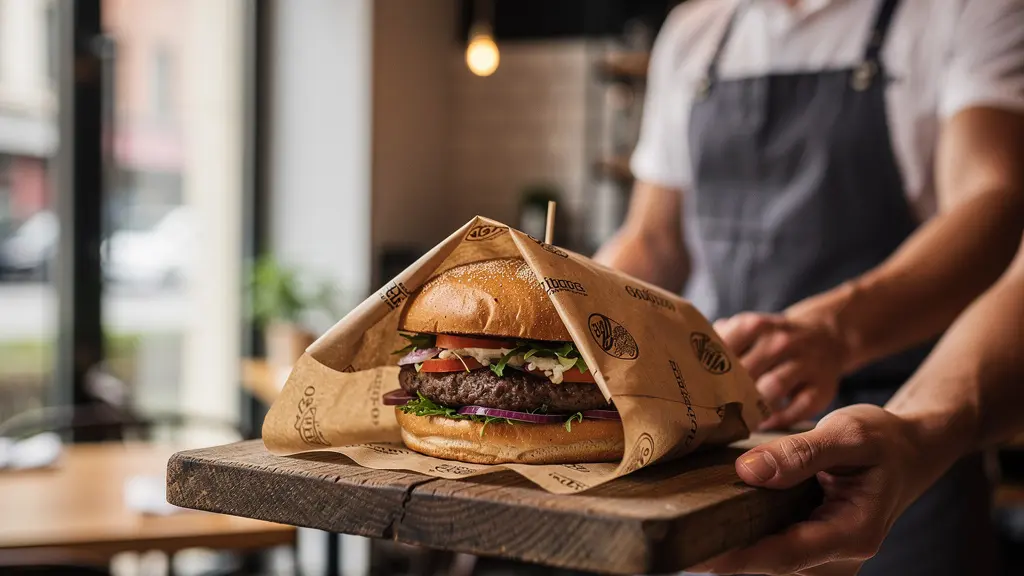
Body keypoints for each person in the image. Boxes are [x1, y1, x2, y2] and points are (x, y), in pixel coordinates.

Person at [593, 0, 1024, 573]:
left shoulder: (967, 10)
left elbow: (992, 199)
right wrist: (573, 305)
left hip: (901, 434)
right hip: (723, 455)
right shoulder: (697, 32)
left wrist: (833, 329)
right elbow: (654, 240)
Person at [690, 232, 1024, 575]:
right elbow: (654, 237)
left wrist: (915, 428)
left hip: (913, 423)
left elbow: (1000, 207)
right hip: (741, 418)